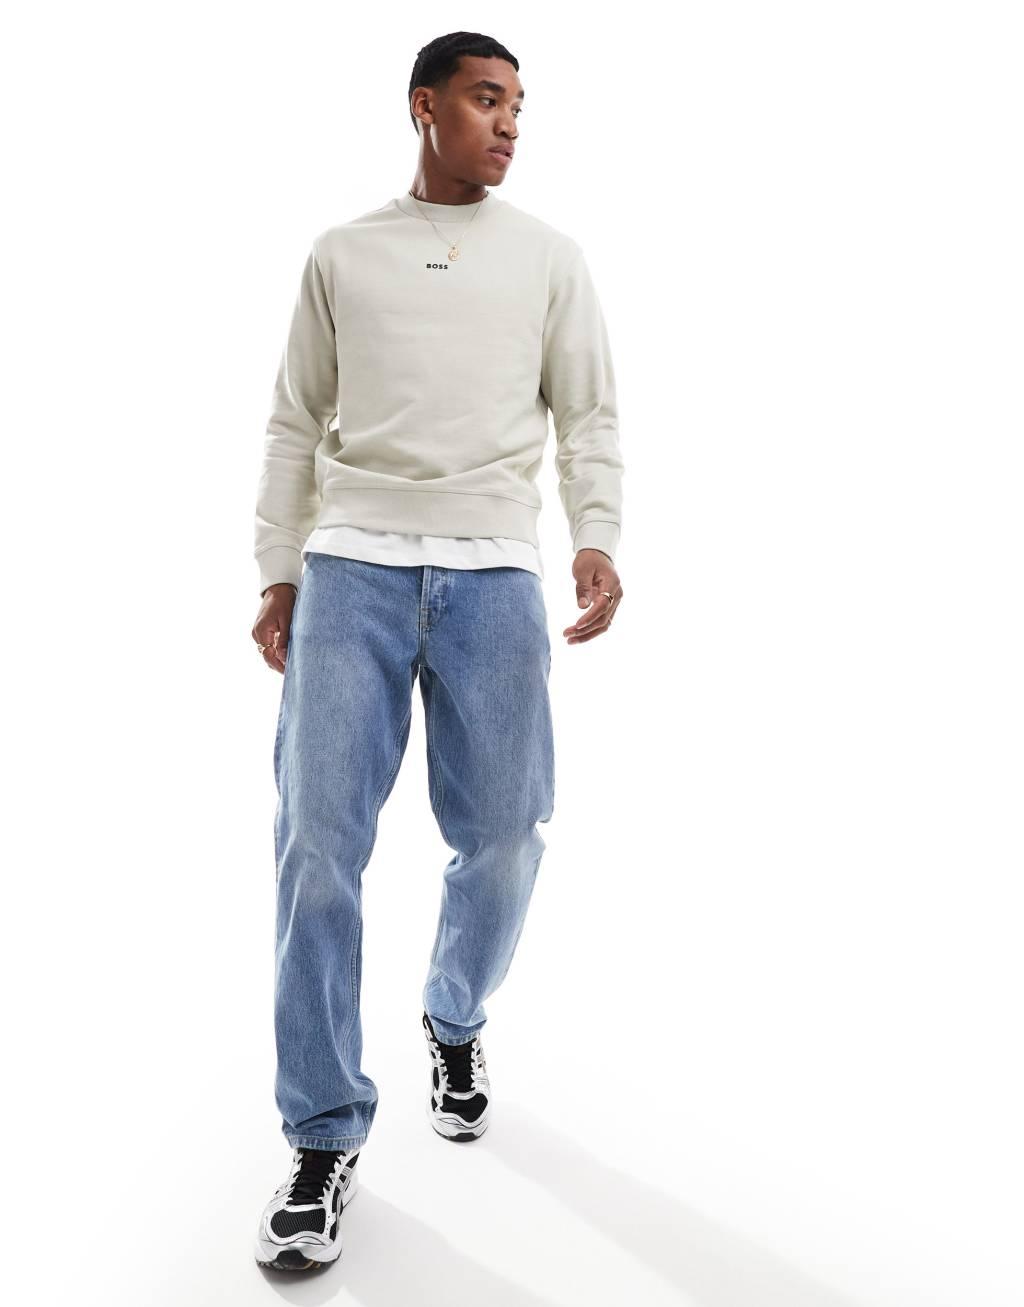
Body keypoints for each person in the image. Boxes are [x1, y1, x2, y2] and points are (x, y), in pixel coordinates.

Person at [251, 30, 625, 1273]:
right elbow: (295, 420)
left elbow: (589, 415)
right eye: (485, 98)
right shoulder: (341, 253)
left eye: (519, 104)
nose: (509, 122)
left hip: (493, 576)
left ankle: (453, 1012)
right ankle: (321, 1134)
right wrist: (278, 566)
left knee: (508, 830)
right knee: (317, 846)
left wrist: (596, 536)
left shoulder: (549, 259)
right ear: (425, 107)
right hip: (351, 569)